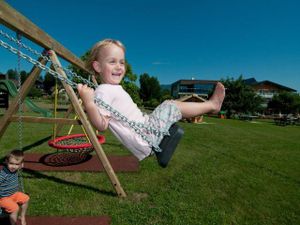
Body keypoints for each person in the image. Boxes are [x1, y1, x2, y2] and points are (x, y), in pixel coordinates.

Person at [77, 39, 225, 163]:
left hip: (145, 131)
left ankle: (211, 105)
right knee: (170, 106)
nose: (119, 67)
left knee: (170, 105)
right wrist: (89, 103)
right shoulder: (103, 90)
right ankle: (212, 105)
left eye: (122, 62)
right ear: (97, 66)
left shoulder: (112, 88)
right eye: (112, 62)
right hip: (144, 137)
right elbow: (101, 125)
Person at [0, 150, 29, 225]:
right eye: (11, 163)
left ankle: (22, 217)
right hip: (4, 198)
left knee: (26, 199)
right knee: (15, 208)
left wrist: (21, 165)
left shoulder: (16, 169)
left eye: (16, 164)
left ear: (20, 165)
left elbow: (19, 166)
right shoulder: (3, 174)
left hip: (14, 194)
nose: (13, 166)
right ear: (6, 162)